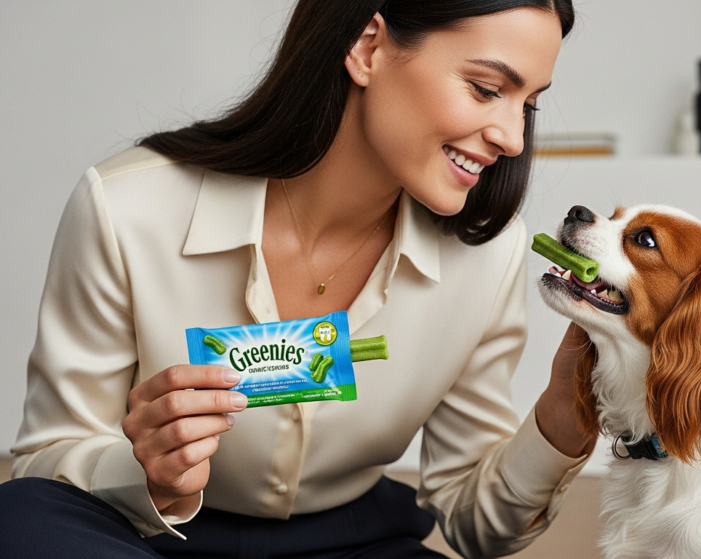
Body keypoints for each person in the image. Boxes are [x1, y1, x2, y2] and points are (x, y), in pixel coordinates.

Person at [0, 1, 592, 557]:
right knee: (22, 520)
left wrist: (560, 421)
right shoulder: (128, 207)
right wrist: (147, 474)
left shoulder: (490, 254)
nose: (513, 138)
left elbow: (474, 523)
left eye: (528, 105)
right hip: (146, 535)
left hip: (356, 541)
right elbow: (46, 463)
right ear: (367, 47)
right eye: (487, 89)